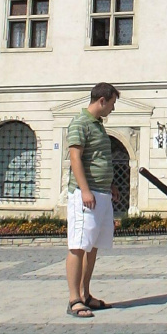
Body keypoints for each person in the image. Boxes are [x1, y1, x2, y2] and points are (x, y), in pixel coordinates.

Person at [65, 82, 120, 317]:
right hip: (85, 195)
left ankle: (85, 294)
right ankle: (74, 299)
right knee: (78, 246)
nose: (112, 109)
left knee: (92, 246)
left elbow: (97, 158)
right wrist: (85, 190)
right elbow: (75, 159)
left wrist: (110, 185)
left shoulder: (97, 125)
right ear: (102, 100)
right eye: (112, 104)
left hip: (101, 193)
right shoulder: (80, 123)